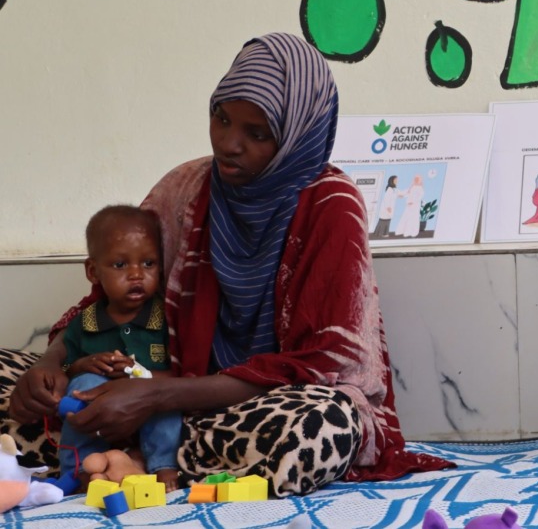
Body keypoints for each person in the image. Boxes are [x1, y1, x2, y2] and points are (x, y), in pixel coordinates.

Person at [3, 32, 452, 496]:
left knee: (323, 426)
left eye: (256, 134)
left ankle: (129, 455)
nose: (228, 144)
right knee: (8, 376)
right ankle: (139, 452)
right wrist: (51, 368)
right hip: (145, 385)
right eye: (221, 118)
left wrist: (158, 397)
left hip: (252, 405)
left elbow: (323, 365)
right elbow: (107, 303)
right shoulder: (185, 188)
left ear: (297, 136)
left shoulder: (331, 207)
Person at [58, 205, 181, 492]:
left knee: (167, 397)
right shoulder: (84, 322)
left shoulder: (166, 318)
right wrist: (83, 366)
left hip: (149, 405)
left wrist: (137, 373)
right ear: (93, 271)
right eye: (120, 265)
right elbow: (65, 369)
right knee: (82, 387)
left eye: (148, 263)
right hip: (102, 413)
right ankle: (81, 469)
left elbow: (181, 373)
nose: (137, 275)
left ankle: (163, 465)